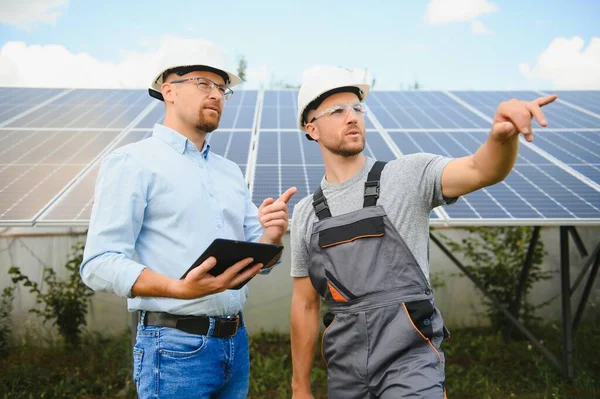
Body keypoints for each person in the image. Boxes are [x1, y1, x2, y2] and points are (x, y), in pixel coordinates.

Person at [289, 65, 556, 398]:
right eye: (338, 110)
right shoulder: (305, 214)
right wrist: (300, 387)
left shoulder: (409, 175)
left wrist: (501, 137)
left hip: (410, 360)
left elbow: (481, 169)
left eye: (358, 108)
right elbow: (305, 305)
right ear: (311, 128)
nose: (353, 117)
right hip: (345, 368)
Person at [80, 40, 296, 399]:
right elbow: (99, 263)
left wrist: (272, 236)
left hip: (234, 343)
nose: (216, 95)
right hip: (173, 347)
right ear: (169, 91)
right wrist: (179, 288)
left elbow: (261, 259)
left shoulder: (228, 171)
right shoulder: (133, 162)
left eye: (222, 88)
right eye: (203, 83)